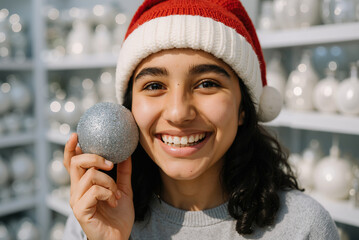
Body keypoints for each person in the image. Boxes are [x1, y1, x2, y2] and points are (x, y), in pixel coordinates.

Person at [63, 0, 339, 239]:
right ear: (129, 107)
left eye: (207, 83)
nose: (178, 113)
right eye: (154, 86)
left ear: (244, 108)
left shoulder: (304, 226)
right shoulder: (93, 216)